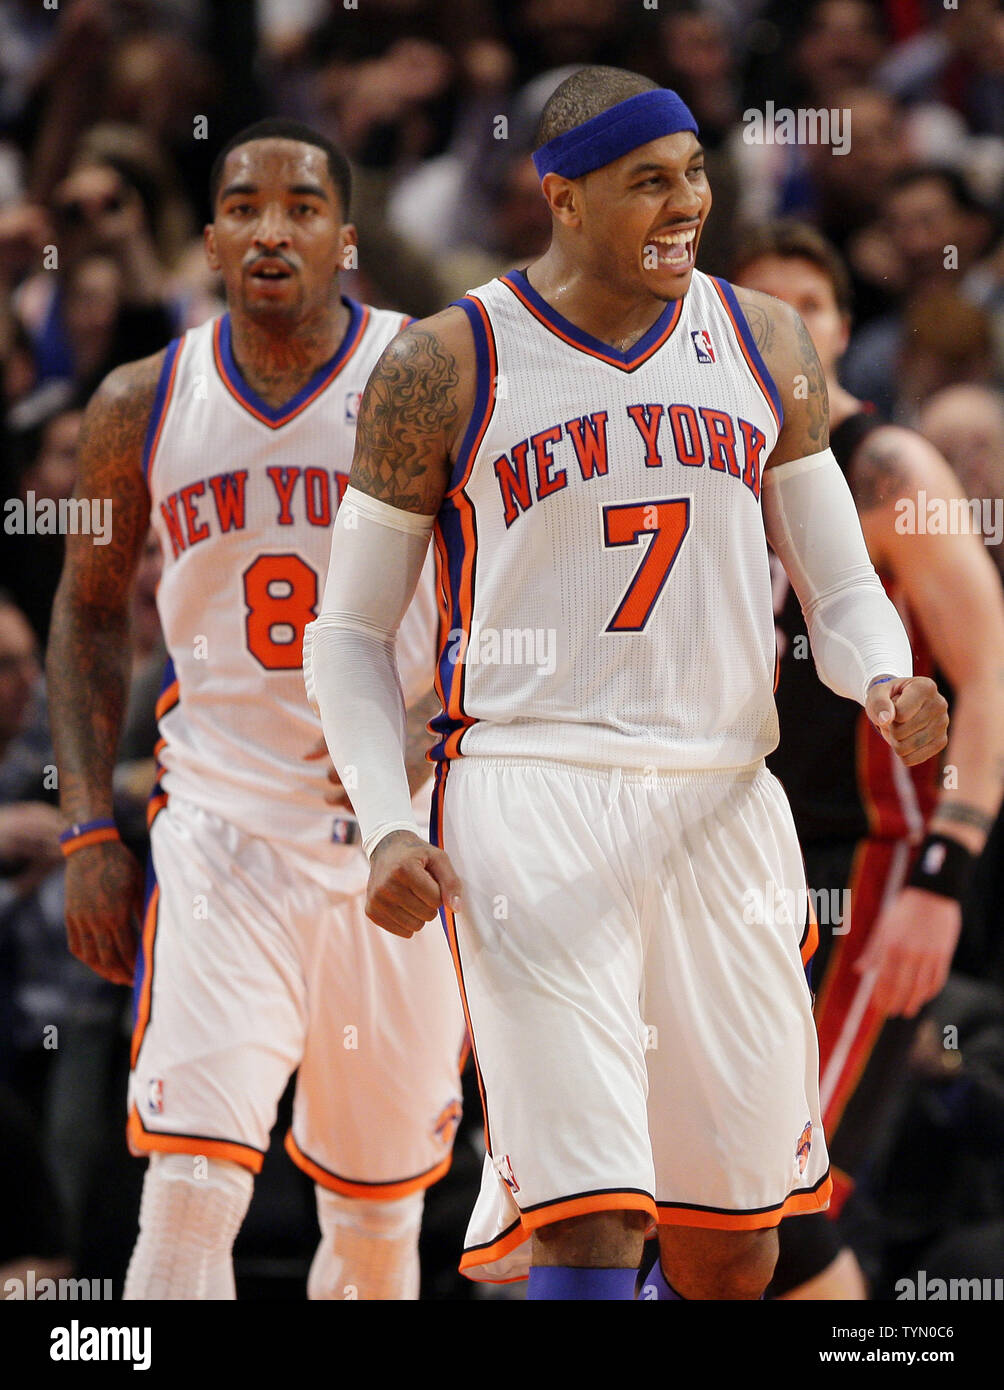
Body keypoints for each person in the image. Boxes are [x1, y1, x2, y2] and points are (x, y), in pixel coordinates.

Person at [303, 66, 950, 1300]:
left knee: (732, 1248)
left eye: (695, 173)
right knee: (590, 1219)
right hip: (530, 790)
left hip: (720, 795)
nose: (684, 202)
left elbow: (841, 586)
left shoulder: (766, 339)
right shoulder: (446, 361)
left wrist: (883, 680)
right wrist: (387, 821)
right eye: (647, 181)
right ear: (561, 196)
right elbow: (345, 631)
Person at [46, 118, 465, 1301]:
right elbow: (85, 611)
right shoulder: (140, 400)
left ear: (344, 238)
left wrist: (454, 707)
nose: (270, 227)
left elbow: (533, 568)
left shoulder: (426, 374)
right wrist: (86, 831)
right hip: (222, 829)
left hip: (403, 841)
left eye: (300, 205)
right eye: (242, 205)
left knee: (378, 1226)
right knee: (184, 1201)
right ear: (212, 236)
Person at [732, 221, 1004, 1298]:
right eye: (763, 301)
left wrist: (945, 870)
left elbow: (988, 670)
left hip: (869, 862)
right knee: (706, 1193)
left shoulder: (886, 466)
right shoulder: (700, 465)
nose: (789, 321)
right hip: (731, 855)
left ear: (844, 327)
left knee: (786, 1195)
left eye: (811, 299)